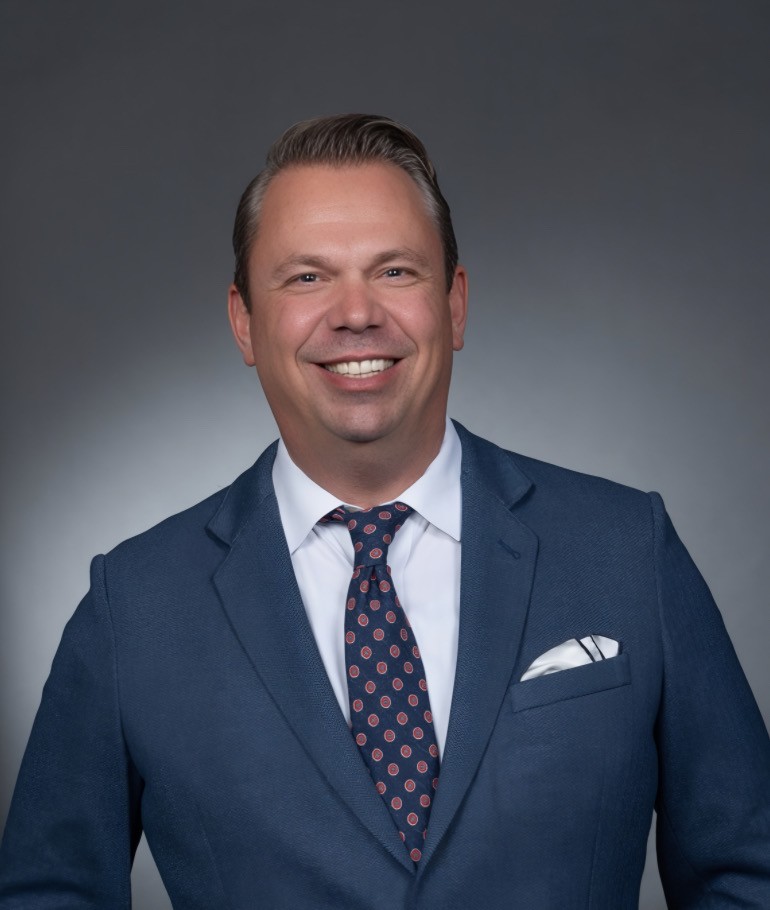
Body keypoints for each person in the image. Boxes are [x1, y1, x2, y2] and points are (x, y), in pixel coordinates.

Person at [1, 114, 769, 909]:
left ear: (455, 304)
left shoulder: (626, 550)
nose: (356, 312)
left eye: (395, 271)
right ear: (244, 323)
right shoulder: (134, 607)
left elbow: (749, 871)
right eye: (307, 278)